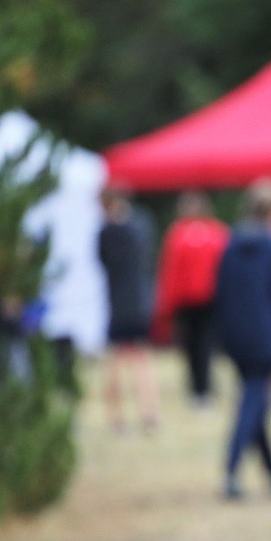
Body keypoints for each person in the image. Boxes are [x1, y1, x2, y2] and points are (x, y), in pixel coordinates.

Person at [215, 178, 271, 500]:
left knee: (256, 399)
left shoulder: (230, 244)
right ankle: (231, 470)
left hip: (236, 336)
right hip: (268, 334)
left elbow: (219, 291)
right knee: (254, 400)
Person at [153, 190, 229, 406]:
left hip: (207, 300)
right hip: (187, 302)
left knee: (204, 345)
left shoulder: (215, 233)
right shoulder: (181, 234)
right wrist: (167, 303)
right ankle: (197, 388)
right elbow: (170, 271)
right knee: (191, 346)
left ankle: (204, 388)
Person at [97, 186, 160, 433]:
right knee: (142, 359)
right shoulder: (141, 226)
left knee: (117, 359)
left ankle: (117, 418)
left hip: (118, 303)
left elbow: (102, 261)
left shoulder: (107, 231)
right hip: (140, 302)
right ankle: (149, 413)